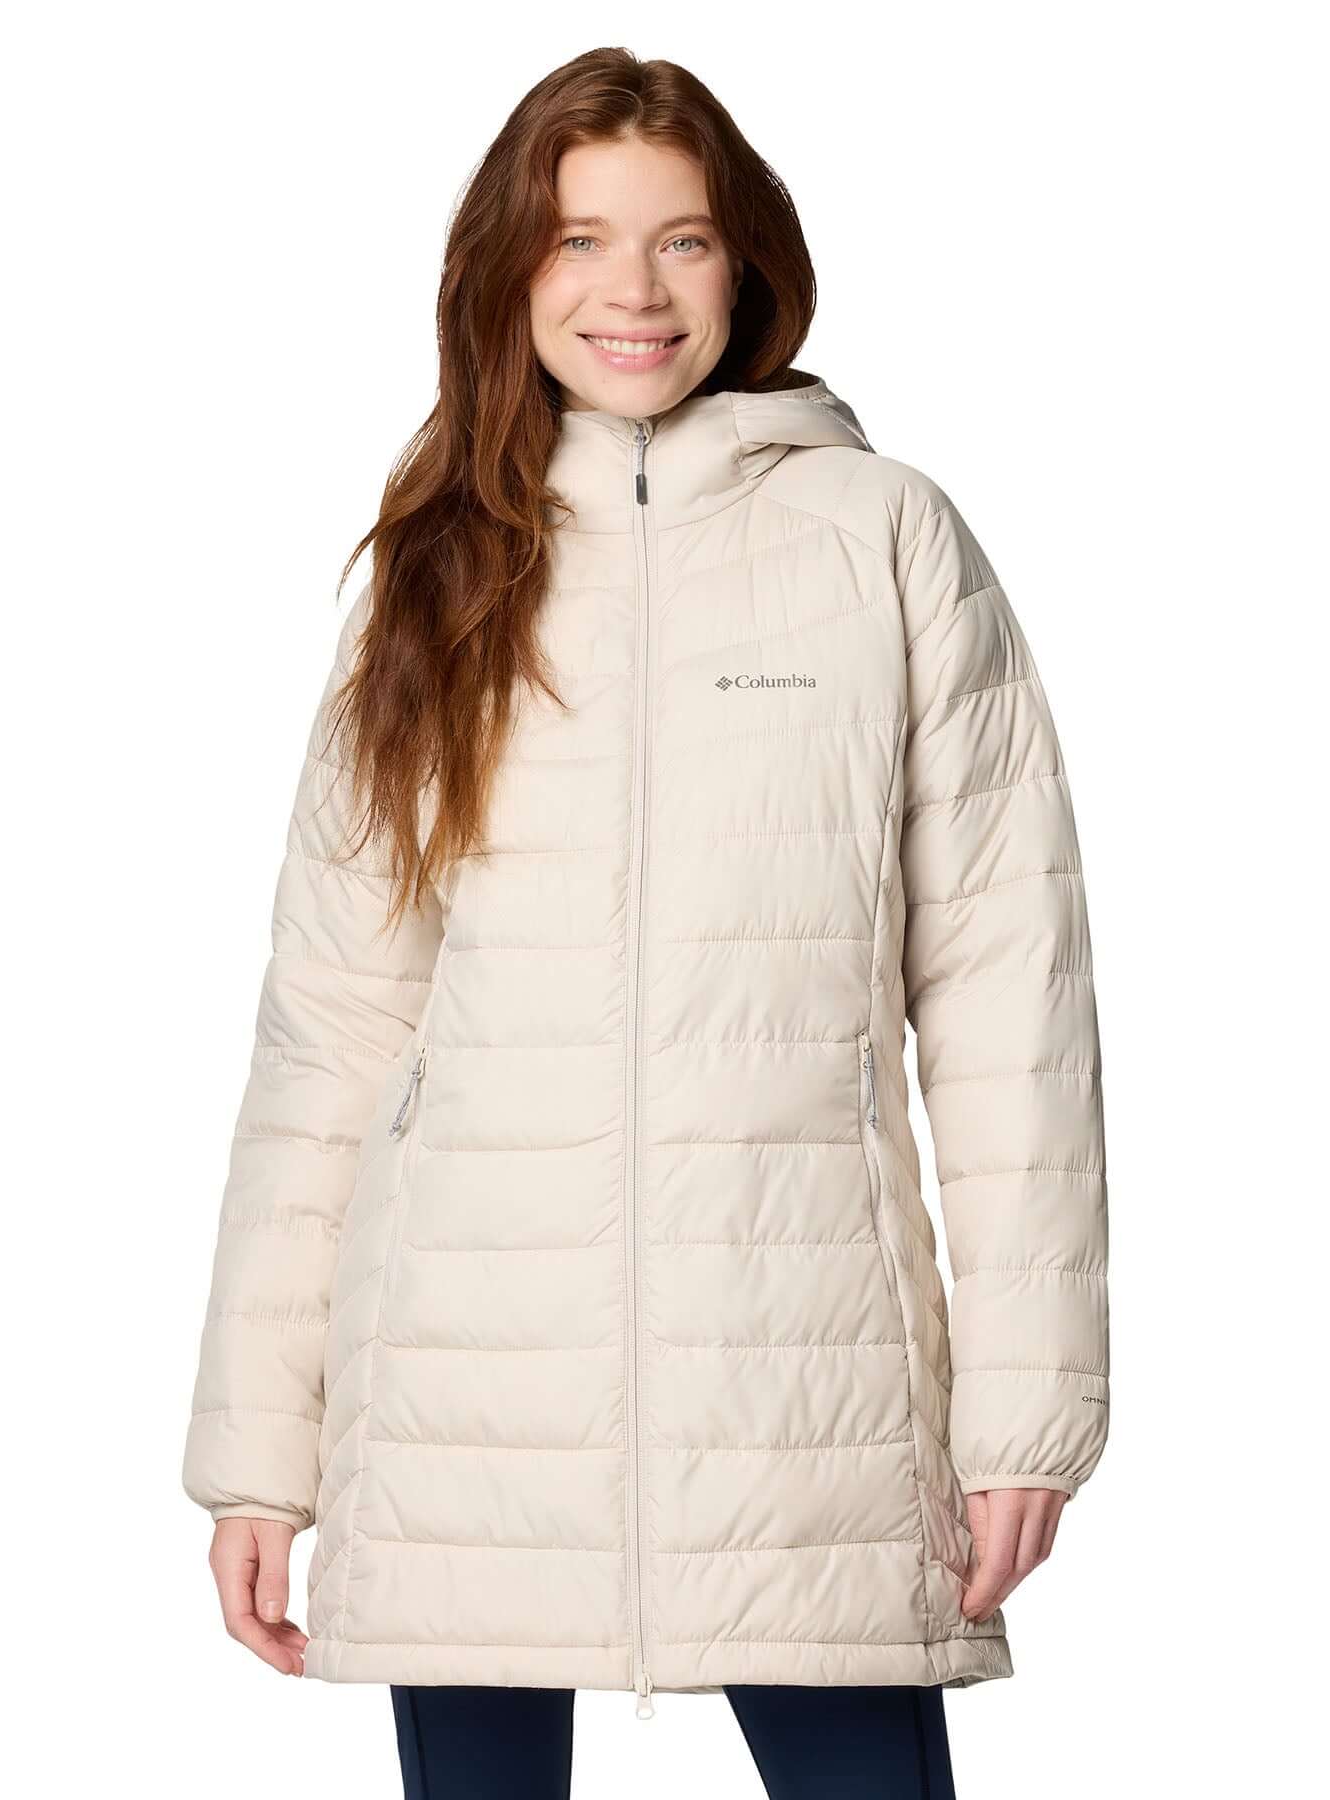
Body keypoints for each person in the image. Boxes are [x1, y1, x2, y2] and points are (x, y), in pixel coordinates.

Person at [182, 45, 1109, 1800]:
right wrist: (258, 1453)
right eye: (580, 239)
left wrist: (1029, 1410)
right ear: (507, 270)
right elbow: (335, 1034)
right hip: (463, 1397)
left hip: (802, 1384)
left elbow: (1011, 1008)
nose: (633, 290)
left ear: (745, 263)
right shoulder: (433, 573)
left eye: (680, 239)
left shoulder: (884, 539)